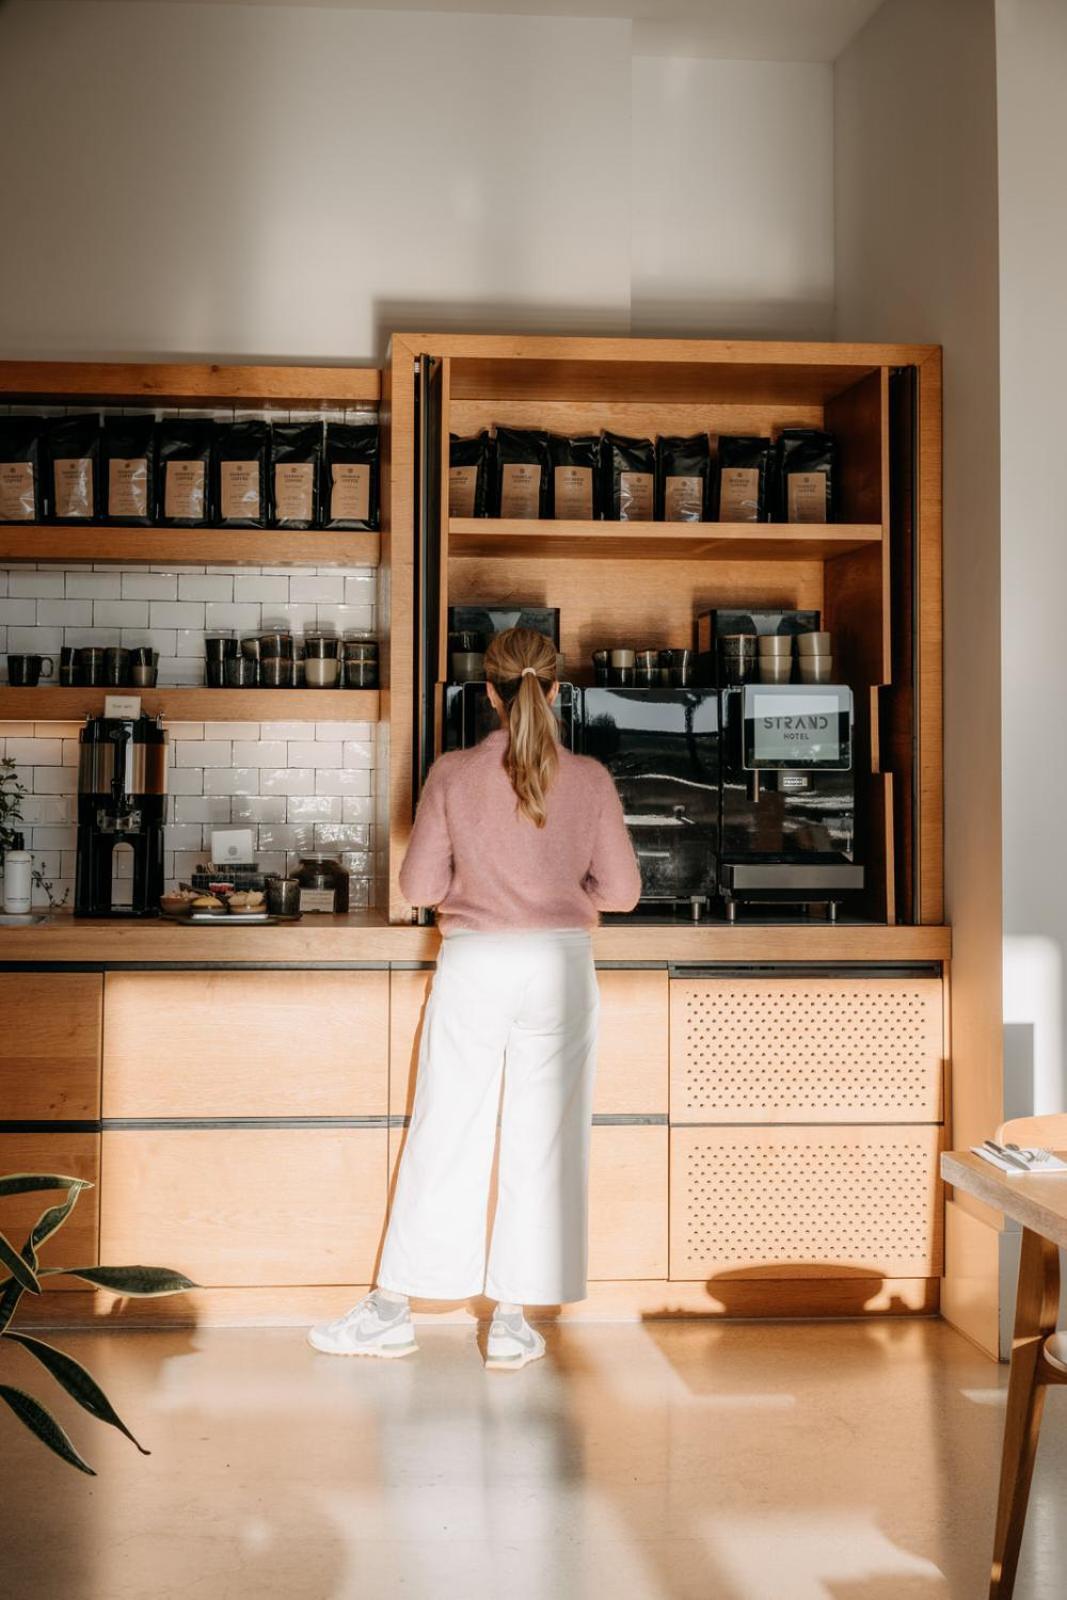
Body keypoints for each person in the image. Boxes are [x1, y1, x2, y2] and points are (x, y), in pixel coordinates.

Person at [309, 626, 641, 1369]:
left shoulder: (453, 773)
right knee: (543, 1143)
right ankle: (514, 1322)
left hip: (474, 966)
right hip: (559, 969)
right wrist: (559, 889)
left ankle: (392, 1310)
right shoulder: (588, 779)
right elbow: (621, 893)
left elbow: (419, 888)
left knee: (446, 1130)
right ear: (556, 689)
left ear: (487, 692)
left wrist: (481, 884)